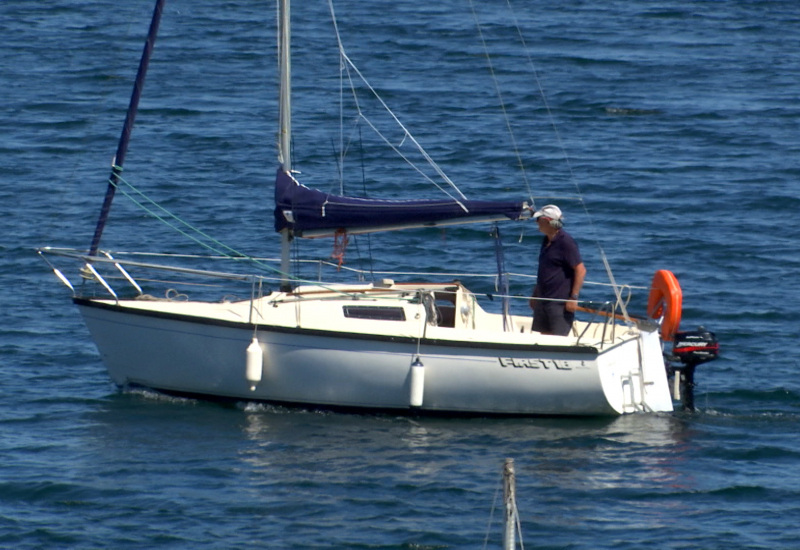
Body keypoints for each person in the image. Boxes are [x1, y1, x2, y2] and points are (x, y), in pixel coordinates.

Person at [529, 204, 586, 336]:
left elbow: (580, 270)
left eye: (539, 220)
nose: (536, 222)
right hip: (543, 299)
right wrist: (535, 294)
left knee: (557, 337)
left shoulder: (565, 242)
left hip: (558, 302)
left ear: (547, 221)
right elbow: (544, 271)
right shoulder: (546, 241)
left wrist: (573, 298)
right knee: (543, 337)